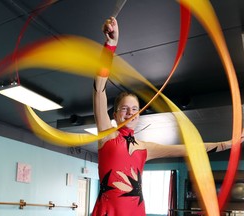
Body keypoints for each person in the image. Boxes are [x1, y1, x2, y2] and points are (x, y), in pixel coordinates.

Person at [92, 17, 243, 216]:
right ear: (115, 114)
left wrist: (228, 144)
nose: (130, 112)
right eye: (124, 108)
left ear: (139, 114)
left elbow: (191, 149)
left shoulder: (145, 148)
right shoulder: (107, 136)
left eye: (134, 109)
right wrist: (110, 46)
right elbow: (99, 89)